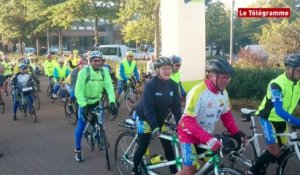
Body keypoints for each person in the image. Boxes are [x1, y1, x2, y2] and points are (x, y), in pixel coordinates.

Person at [176, 59, 246, 175]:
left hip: (205, 136)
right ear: (211, 76)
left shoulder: (223, 92)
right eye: (223, 77)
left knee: (211, 166)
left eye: (228, 77)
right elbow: (187, 120)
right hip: (188, 136)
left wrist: (236, 133)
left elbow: (226, 116)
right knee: (189, 171)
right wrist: (208, 139)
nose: (227, 81)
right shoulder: (197, 92)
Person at [245, 53, 300, 175]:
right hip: (268, 119)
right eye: (298, 70)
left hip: (282, 120)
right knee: (275, 150)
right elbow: (279, 111)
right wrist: (298, 122)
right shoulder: (276, 84)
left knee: (285, 150)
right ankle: (250, 171)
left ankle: (277, 169)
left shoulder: (298, 83)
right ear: (289, 69)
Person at [132, 57, 182, 175]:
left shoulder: (173, 85)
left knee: (168, 146)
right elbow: (148, 108)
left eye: (169, 68)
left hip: (159, 120)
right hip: (144, 118)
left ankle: (175, 172)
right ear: (157, 70)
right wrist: (154, 126)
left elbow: (176, 108)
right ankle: (135, 169)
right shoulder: (151, 85)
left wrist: (181, 124)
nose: (167, 71)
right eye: (164, 68)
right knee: (143, 145)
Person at [74, 50, 118, 162]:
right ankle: (77, 149)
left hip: (97, 102)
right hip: (84, 103)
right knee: (81, 125)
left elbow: (109, 87)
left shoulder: (104, 72)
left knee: (100, 123)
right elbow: (78, 91)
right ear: (90, 61)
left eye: (99, 61)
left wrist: (112, 102)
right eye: (95, 61)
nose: (97, 63)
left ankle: (98, 136)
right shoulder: (84, 72)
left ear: (102, 62)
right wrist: (84, 106)